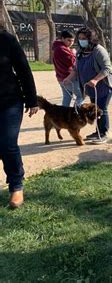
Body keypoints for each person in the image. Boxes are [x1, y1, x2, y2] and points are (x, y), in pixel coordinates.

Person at [0, 28, 39, 208]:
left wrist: (32, 100)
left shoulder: (6, 39)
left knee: (7, 143)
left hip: (9, 102)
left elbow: (23, 69)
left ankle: (16, 185)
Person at [63, 27, 112, 143]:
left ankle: (104, 133)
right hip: (91, 88)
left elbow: (107, 68)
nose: (81, 40)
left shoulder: (99, 50)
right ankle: (98, 131)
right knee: (95, 109)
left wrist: (96, 80)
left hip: (104, 86)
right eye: (80, 38)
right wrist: (68, 79)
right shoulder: (80, 52)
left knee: (101, 108)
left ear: (91, 39)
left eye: (84, 38)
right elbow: (76, 69)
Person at [52, 30, 84, 107]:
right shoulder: (61, 49)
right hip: (69, 77)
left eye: (72, 41)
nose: (71, 43)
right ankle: (76, 114)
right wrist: (73, 53)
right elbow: (73, 62)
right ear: (62, 38)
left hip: (61, 77)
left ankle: (64, 116)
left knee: (67, 97)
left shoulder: (57, 47)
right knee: (81, 96)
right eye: (68, 40)